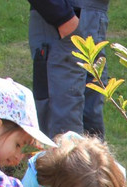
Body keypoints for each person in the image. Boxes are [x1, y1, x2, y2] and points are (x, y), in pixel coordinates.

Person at [27, 0, 110, 139]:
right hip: (63, 19)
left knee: (92, 130)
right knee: (63, 134)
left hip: (93, 17)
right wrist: (63, 17)